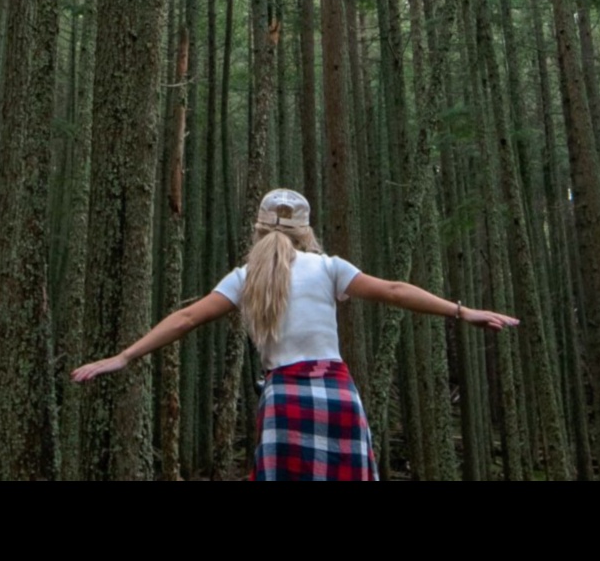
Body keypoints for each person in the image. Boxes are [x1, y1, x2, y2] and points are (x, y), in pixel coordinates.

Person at [71, 187, 519, 480]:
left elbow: (185, 319)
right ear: (306, 231)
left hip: (284, 398)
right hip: (337, 394)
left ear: (260, 226)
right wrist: (462, 311)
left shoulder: (245, 277)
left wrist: (126, 356)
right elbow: (395, 290)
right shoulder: (329, 267)